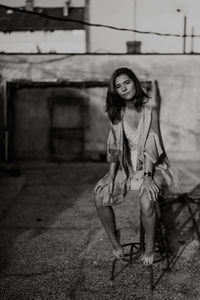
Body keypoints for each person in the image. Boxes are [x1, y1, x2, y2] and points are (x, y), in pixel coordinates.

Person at [93, 67, 173, 266]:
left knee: (147, 201)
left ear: (135, 82)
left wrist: (147, 177)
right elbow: (113, 147)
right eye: (119, 86)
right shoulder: (117, 113)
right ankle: (115, 242)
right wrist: (111, 176)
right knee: (100, 196)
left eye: (126, 83)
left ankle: (149, 248)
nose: (124, 89)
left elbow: (152, 144)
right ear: (115, 91)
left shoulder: (149, 107)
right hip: (127, 168)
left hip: (153, 167)